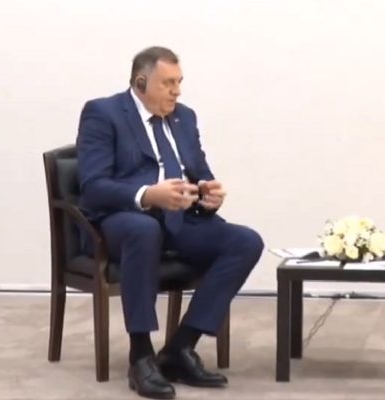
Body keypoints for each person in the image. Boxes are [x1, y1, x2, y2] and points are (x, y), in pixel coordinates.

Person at [76, 46, 264, 399]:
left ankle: (180, 347)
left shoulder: (184, 117)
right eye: (168, 83)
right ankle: (141, 356)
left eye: (179, 82)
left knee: (245, 241)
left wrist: (208, 194)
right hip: (119, 221)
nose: (177, 91)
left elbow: (200, 172)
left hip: (178, 219)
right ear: (141, 82)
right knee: (144, 229)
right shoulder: (103, 113)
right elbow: (94, 187)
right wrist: (149, 194)